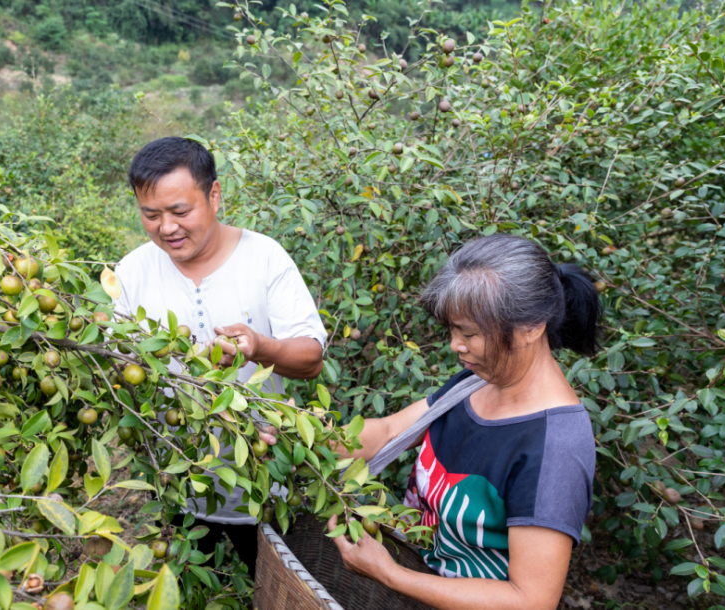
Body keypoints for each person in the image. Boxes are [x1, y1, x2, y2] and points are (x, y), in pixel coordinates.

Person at [326, 234, 599, 610]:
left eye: (469, 333)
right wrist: (305, 433)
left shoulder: (555, 448)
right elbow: (391, 432)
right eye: (453, 330)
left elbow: (531, 600)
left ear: (532, 327)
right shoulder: (475, 382)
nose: (456, 345)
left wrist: (391, 575)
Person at [114, 136, 327, 576]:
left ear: (214, 195)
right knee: (192, 585)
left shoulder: (264, 257)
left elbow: (310, 358)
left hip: (264, 483)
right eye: (150, 215)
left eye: (179, 212)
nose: (166, 228)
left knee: (277, 590)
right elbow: (118, 365)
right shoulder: (132, 270)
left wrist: (259, 346)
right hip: (178, 478)